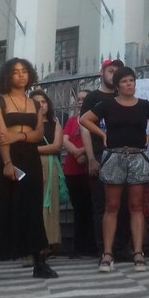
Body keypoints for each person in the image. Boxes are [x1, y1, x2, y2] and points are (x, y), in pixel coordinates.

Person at [80, 66, 149, 273]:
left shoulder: (144, 106)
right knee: (111, 206)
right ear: (118, 85)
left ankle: (138, 253)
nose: (129, 84)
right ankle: (108, 253)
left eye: (132, 80)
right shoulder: (108, 104)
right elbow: (84, 119)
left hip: (138, 156)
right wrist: (102, 136)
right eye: (125, 81)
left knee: (136, 206)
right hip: (114, 156)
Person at [0, 58, 57, 282]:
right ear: (7, 76)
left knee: (32, 206)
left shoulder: (35, 104)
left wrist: (20, 135)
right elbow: (2, 136)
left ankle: (39, 262)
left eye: (24, 71)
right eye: (15, 72)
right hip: (3, 156)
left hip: (29, 155)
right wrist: (7, 164)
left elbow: (38, 134)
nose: (21, 75)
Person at [80, 59, 123, 254]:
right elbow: (84, 128)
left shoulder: (123, 96)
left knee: (123, 204)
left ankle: (122, 247)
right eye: (111, 70)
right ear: (102, 72)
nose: (114, 74)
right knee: (101, 205)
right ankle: (103, 248)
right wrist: (91, 158)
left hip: (122, 155)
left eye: (117, 71)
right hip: (99, 154)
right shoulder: (93, 98)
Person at [62, 91, 95, 258]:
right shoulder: (71, 121)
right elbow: (65, 139)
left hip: (89, 169)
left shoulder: (94, 120)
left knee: (91, 207)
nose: (81, 102)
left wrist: (83, 152)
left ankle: (91, 245)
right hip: (72, 170)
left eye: (84, 99)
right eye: (79, 99)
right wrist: (76, 152)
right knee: (78, 209)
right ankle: (78, 247)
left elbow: (95, 140)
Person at [30, 89, 63, 252]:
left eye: (43, 102)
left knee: (50, 205)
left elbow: (57, 146)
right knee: (32, 205)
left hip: (50, 165)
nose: (41, 105)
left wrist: (33, 150)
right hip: (30, 165)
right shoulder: (26, 124)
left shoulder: (55, 122)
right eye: (37, 102)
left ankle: (49, 242)